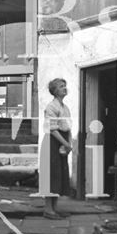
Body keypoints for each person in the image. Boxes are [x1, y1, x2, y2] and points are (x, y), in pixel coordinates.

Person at [41, 78, 72, 219]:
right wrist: (65, 143)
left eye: (65, 86)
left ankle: (55, 208)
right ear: (54, 91)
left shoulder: (65, 108)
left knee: (60, 175)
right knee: (51, 175)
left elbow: (68, 128)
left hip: (62, 141)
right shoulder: (51, 107)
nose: (64, 88)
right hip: (52, 142)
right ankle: (48, 209)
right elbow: (52, 129)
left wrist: (69, 144)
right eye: (61, 86)